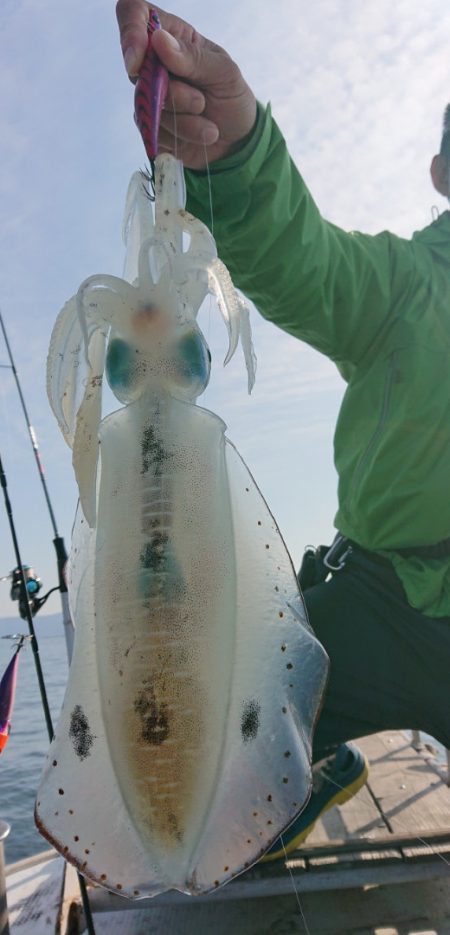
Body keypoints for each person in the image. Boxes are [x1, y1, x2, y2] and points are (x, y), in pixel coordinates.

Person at [116, 1, 450, 856]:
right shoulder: (406, 283)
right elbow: (304, 260)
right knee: (237, 727)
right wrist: (233, 152)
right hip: (386, 608)